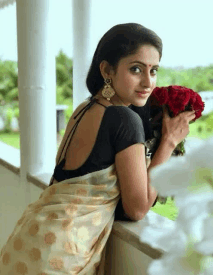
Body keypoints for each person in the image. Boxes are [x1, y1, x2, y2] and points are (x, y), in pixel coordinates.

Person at [0, 23, 195, 274]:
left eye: (154, 70)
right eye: (136, 69)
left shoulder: (86, 107)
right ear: (107, 70)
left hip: (30, 241)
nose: (148, 82)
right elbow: (137, 209)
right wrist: (168, 142)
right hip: (58, 257)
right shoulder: (124, 120)